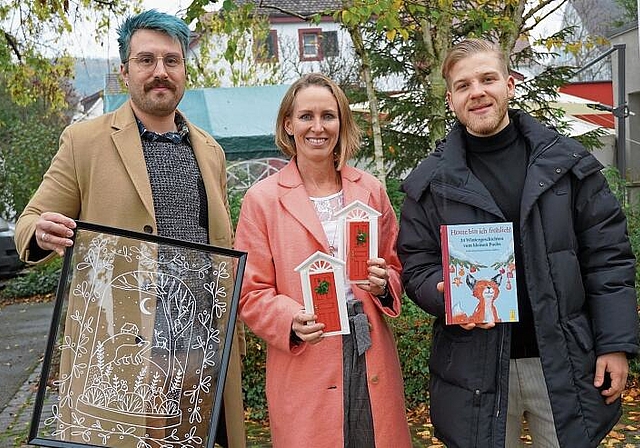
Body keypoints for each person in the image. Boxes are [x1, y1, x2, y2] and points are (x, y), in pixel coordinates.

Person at [14, 10, 246, 448]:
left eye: (171, 61)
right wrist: (42, 230)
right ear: (124, 71)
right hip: (119, 353)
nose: (160, 71)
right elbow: (30, 220)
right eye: (146, 60)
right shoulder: (84, 142)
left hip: (200, 352)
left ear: (183, 70)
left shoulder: (210, 151)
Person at [397, 38, 639, 448]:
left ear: (509, 85)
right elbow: (416, 265)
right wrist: (442, 293)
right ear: (452, 99)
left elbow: (608, 259)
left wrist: (615, 344)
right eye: (463, 85)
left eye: (487, 78)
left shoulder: (568, 165)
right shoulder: (430, 182)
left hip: (563, 362)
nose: (477, 92)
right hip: (474, 370)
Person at [234, 73, 411, 447]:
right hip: (307, 353)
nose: (318, 127)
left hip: (369, 348)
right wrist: (289, 319)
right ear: (288, 124)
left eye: (328, 116)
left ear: (342, 123)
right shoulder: (262, 200)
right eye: (306, 116)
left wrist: (383, 284)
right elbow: (250, 292)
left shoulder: (371, 190)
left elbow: (396, 266)